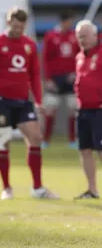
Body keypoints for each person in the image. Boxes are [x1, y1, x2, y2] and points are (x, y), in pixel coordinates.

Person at [0, 7, 59, 200]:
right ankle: (7, 188)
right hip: (1, 103)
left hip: (23, 102)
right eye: (15, 26)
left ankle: (37, 187)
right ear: (9, 23)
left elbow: (34, 74)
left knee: (35, 137)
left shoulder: (29, 45)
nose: (18, 30)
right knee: (4, 143)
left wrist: (39, 100)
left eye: (22, 27)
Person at [41, 10, 80, 149]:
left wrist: (76, 72)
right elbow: (46, 59)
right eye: (69, 21)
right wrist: (48, 79)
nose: (70, 24)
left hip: (70, 78)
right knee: (50, 109)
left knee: (73, 109)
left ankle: (72, 140)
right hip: (55, 78)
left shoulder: (74, 36)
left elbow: (79, 56)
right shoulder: (51, 36)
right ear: (63, 21)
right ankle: (46, 140)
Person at [73, 20, 101, 199]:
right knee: (85, 149)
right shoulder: (79, 57)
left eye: (84, 36)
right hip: (83, 110)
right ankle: (92, 189)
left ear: (95, 35)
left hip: (99, 110)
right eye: (79, 37)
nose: (81, 40)